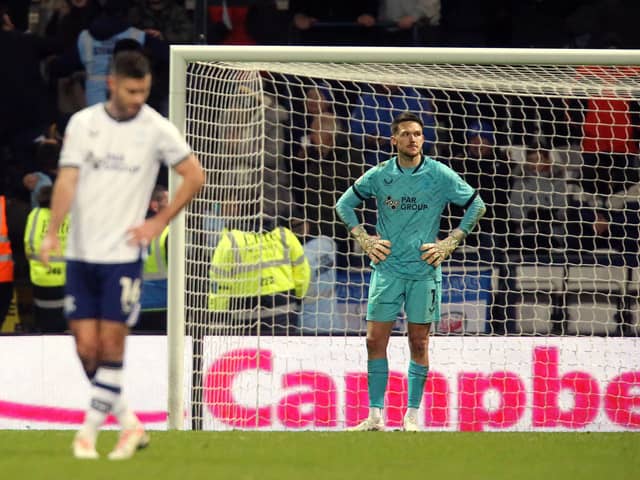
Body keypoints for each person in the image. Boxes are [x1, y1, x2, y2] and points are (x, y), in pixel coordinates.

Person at [40, 50, 204, 459]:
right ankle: (129, 423)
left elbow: (195, 175)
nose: (137, 99)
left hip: (123, 256)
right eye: (131, 91)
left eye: (144, 91)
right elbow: (67, 180)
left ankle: (88, 434)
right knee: (85, 348)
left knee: (111, 346)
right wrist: (51, 233)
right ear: (111, 84)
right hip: (80, 252)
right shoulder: (83, 124)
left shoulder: (156, 128)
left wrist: (159, 222)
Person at [335, 112, 485, 431]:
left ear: (423, 138)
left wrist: (449, 243)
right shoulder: (379, 175)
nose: (412, 139)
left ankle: (412, 415)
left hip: (423, 271)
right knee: (375, 341)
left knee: (419, 342)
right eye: (405, 134)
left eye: (417, 133)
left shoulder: (439, 174)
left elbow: (477, 205)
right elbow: (343, 205)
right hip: (387, 270)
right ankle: (376, 415)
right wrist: (363, 238)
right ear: (394, 140)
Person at [208, 214, 311, 336]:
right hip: (283, 309)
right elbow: (303, 273)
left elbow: (219, 283)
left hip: (245, 313)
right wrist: (298, 298)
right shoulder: (285, 235)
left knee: (249, 354)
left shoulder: (230, 240)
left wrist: (218, 315)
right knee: (282, 352)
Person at [24, 186, 69, 333]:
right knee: (63, 318)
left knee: (43, 318)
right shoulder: (67, 215)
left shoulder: (35, 215)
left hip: (40, 274)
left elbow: (29, 244)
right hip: (65, 276)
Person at [136, 184, 168, 333]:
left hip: (135, 305)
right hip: (163, 306)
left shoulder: (133, 230)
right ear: (154, 205)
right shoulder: (168, 233)